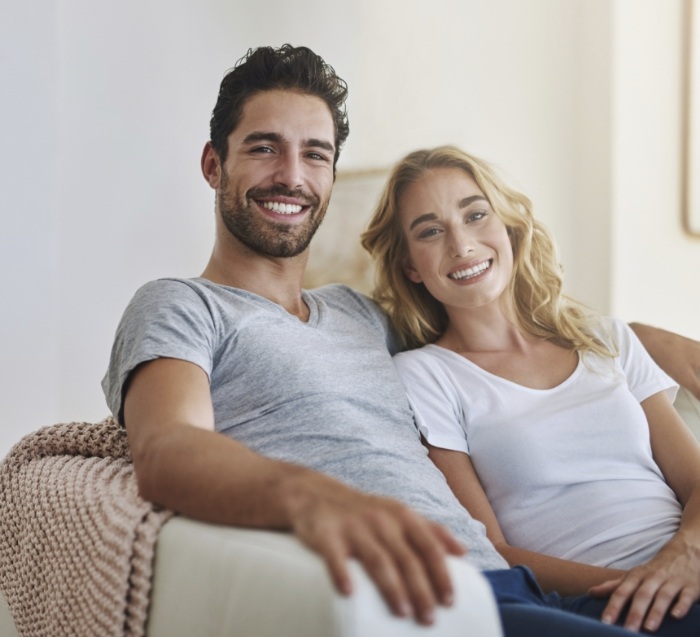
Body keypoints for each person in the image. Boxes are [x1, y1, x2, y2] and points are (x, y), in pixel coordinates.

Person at [103, 44, 699, 636]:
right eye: (264, 148)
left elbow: (482, 323)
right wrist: (312, 498)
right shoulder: (181, 305)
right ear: (213, 164)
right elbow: (167, 450)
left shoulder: (360, 316)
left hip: (508, 586)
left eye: (315, 155)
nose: (291, 175)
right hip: (416, 592)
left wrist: (641, 341)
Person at [360, 144, 700, 634]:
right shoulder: (425, 375)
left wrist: (682, 561)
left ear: (509, 228)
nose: (461, 244)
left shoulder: (606, 337)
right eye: (430, 231)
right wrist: (639, 585)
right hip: (600, 602)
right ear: (411, 266)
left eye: (475, 214)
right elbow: (492, 549)